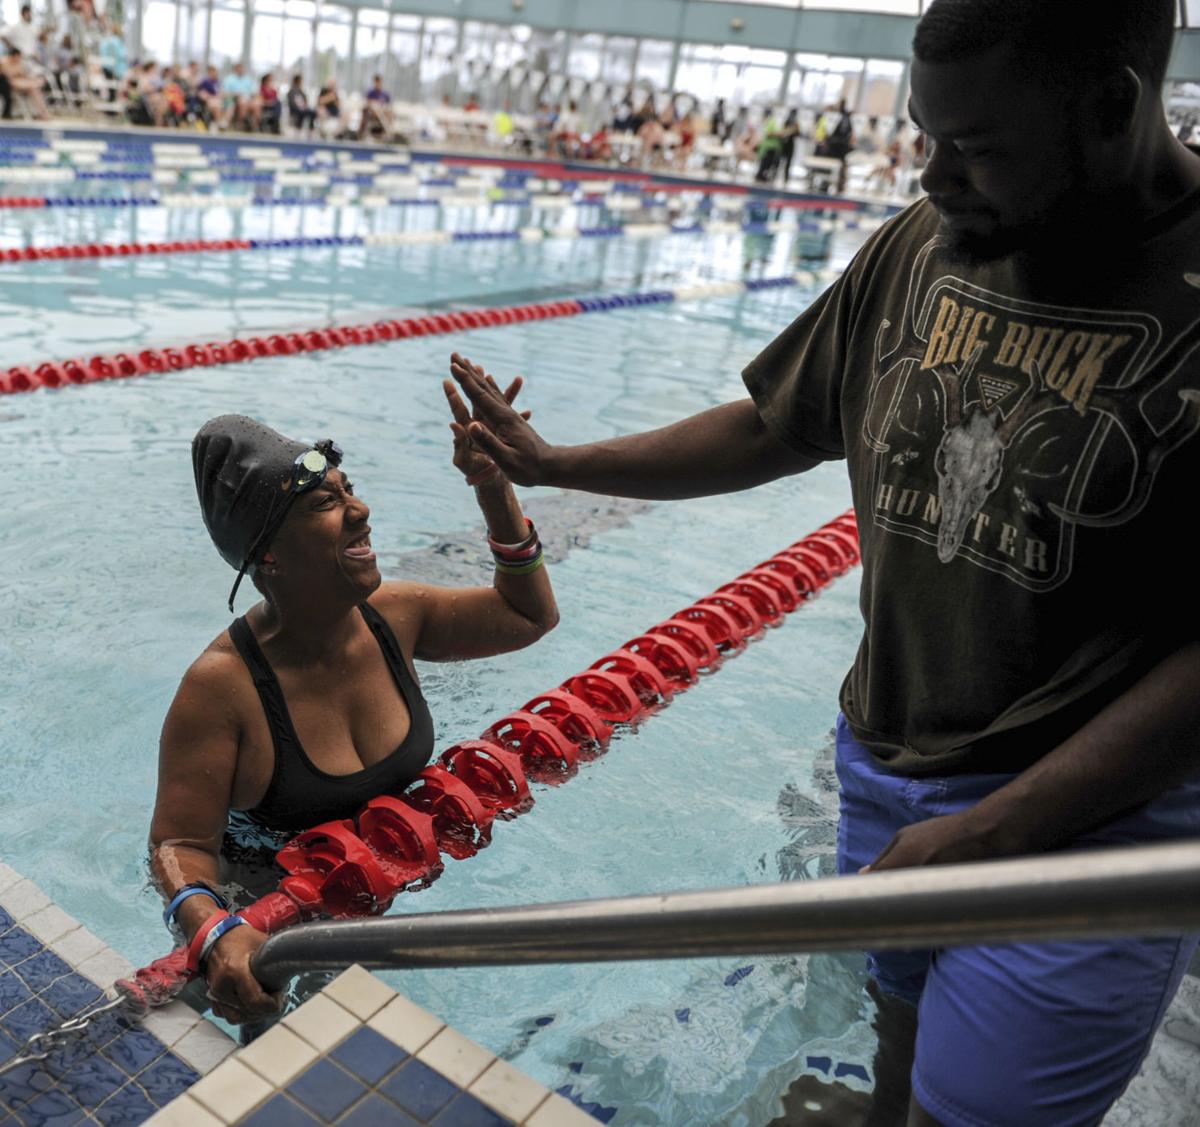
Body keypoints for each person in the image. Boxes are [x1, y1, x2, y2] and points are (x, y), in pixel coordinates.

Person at [448, 3, 1200, 1124]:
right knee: (898, 1047)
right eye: (926, 135)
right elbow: (776, 423)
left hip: (1089, 828)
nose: (933, 175)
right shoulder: (924, 242)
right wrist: (557, 464)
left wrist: (994, 831)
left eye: (976, 146)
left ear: (1110, 109)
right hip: (890, 767)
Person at [150, 357, 559, 1026]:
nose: (361, 512)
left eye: (350, 490)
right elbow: (178, 843)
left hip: (380, 883)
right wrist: (215, 930)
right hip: (268, 911)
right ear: (268, 553)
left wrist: (492, 486)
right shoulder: (222, 689)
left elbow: (528, 616)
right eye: (325, 503)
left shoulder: (395, 616)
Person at [0, 46, 47, 118]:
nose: (19, 59)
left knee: (34, 90)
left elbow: (23, 75)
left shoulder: (19, 63)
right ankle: (43, 113)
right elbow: (8, 77)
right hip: (8, 84)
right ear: (13, 56)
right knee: (31, 86)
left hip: (21, 83)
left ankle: (43, 112)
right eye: (18, 57)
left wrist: (32, 79)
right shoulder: (3, 62)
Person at [822, 98, 856, 192]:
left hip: (843, 144)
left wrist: (851, 140)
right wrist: (826, 141)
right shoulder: (834, 114)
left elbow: (851, 130)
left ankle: (840, 186)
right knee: (828, 164)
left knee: (842, 166)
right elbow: (828, 129)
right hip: (833, 143)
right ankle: (825, 184)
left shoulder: (848, 116)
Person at [222, 61, 256, 131]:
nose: (241, 70)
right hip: (232, 99)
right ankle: (240, 123)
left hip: (247, 100)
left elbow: (253, 92)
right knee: (242, 102)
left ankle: (254, 126)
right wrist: (235, 94)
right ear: (235, 69)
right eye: (239, 68)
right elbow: (225, 93)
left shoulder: (248, 79)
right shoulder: (229, 79)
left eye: (242, 68)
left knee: (256, 104)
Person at [360, 72, 392, 138]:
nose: (378, 83)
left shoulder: (386, 94)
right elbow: (367, 103)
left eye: (379, 81)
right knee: (375, 108)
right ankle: (387, 131)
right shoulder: (370, 93)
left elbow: (389, 105)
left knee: (388, 112)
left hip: (384, 112)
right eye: (376, 81)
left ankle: (387, 131)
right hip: (373, 112)